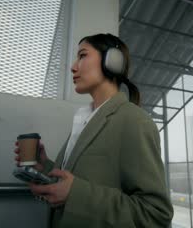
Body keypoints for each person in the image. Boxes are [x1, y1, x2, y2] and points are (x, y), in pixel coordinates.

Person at [14, 33, 173, 227]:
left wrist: (76, 196)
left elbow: (155, 215)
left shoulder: (134, 120)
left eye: (82, 55)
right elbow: (76, 180)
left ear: (113, 61)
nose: (73, 67)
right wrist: (44, 166)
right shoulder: (84, 120)